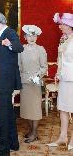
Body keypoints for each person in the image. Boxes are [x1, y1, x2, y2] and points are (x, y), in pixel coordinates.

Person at [0, 13, 24, 156]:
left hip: (3, 83)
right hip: (2, 82)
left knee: (2, 117)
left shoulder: (9, 33)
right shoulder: (2, 35)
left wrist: (10, 44)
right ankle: (13, 143)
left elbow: (19, 47)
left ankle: (3, 149)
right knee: (8, 114)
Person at [47, 13, 73, 150]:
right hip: (64, 79)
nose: (60, 27)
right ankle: (63, 137)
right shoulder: (63, 39)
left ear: (69, 25)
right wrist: (58, 72)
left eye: (61, 24)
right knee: (62, 107)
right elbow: (60, 59)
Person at [18, 25, 48, 143]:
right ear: (25, 37)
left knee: (35, 109)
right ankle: (31, 130)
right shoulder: (21, 49)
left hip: (35, 83)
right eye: (29, 35)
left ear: (37, 37)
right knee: (27, 109)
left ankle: (34, 133)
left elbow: (44, 67)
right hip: (24, 82)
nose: (32, 38)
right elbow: (18, 66)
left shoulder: (41, 49)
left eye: (34, 35)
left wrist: (36, 76)